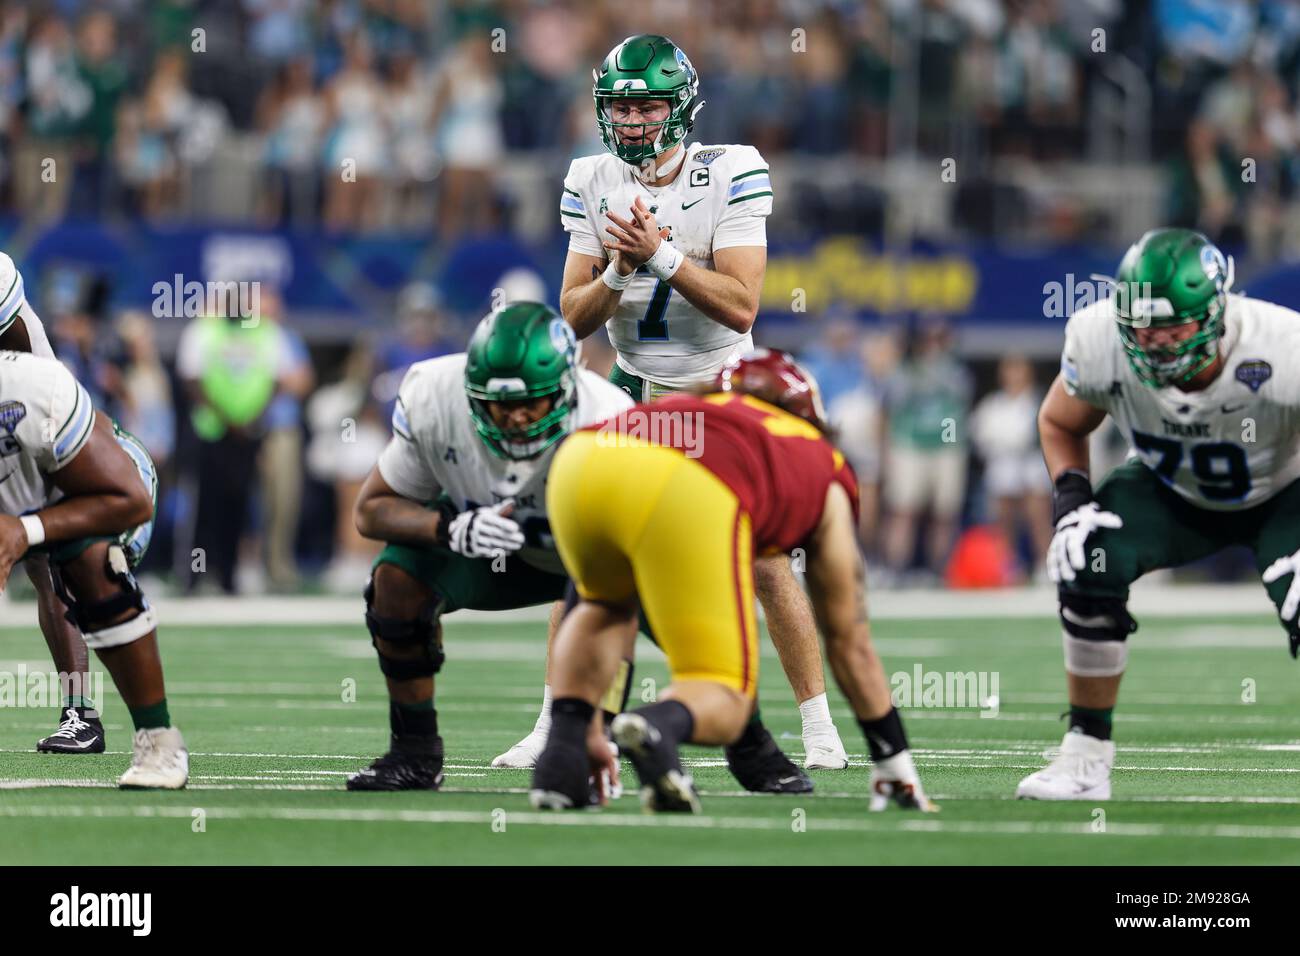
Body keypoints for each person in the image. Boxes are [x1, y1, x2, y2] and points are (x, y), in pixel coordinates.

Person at [518, 33, 849, 772]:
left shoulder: (731, 169)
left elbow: (740, 305)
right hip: (634, 384)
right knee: (587, 555)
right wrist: (618, 267)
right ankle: (556, 723)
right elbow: (566, 321)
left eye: (648, 104)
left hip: (720, 384)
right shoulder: (590, 177)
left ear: (682, 107)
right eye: (622, 106)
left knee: (763, 559)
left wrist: (663, 257)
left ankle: (819, 727)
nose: (633, 120)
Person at [529, 350, 933, 813]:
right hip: (684, 484)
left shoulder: (698, 408)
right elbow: (848, 639)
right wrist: (891, 755)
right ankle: (659, 724)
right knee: (725, 693)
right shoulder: (820, 460)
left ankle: (562, 759)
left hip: (583, 459)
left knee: (602, 606)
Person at [1018, 228, 1300, 799]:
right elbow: (1060, 421)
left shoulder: (1282, 347)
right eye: (1143, 327)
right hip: (1173, 489)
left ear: (1217, 312)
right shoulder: (1100, 340)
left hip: (1285, 489)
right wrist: (1072, 505)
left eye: (1173, 326)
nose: (1157, 342)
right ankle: (1085, 759)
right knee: (1086, 559)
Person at [0, 348, 186, 787]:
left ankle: (157, 740)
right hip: (19, 488)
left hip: (99, 482)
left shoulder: (29, 387)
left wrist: (26, 531)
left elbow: (128, 500)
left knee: (84, 562)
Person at [969, 354, 1052, 578]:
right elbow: (980, 435)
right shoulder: (992, 404)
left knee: (1038, 515)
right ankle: (1009, 567)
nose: (1014, 375)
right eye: (1009, 370)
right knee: (1004, 518)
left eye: (1019, 369)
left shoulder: (1039, 400)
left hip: (1032, 464)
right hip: (1002, 464)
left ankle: (1045, 565)